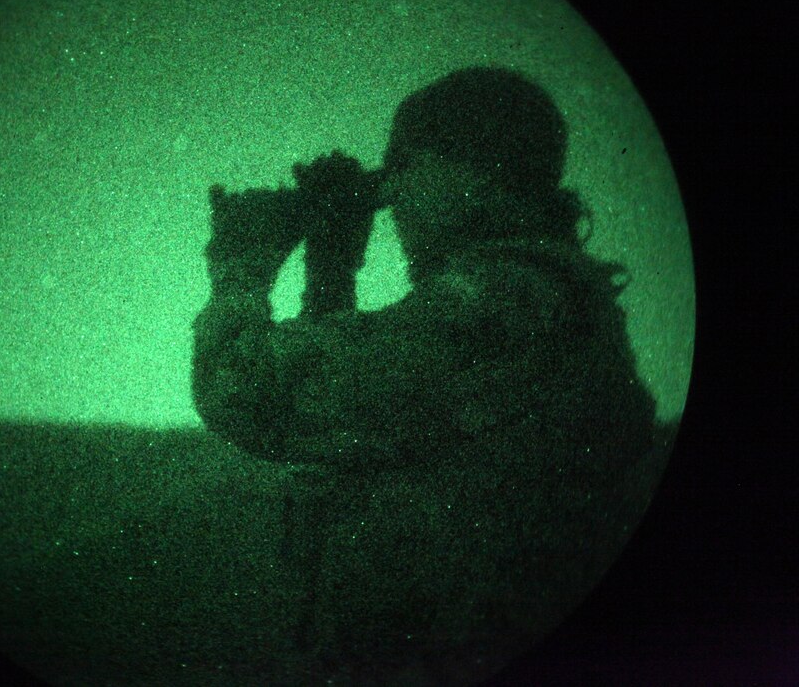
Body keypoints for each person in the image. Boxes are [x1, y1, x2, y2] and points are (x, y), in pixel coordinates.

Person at [191, 67, 662, 683]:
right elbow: (354, 424)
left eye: (404, 169)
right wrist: (332, 268)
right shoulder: (537, 297)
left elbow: (248, 395)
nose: (389, 201)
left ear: (472, 170)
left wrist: (241, 267)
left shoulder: (506, 303)